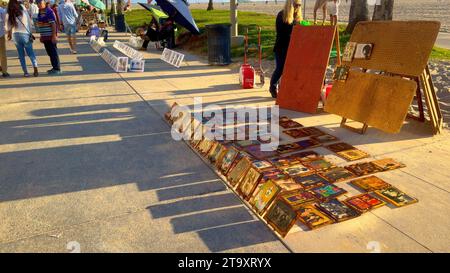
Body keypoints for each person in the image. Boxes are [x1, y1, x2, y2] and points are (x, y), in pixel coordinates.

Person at [269, 0, 302, 98]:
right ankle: (272, 87)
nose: (297, 7)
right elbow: (281, 33)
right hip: (281, 47)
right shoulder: (282, 15)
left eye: (299, 5)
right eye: (296, 5)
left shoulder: (297, 17)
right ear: (290, 4)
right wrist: (293, 30)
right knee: (280, 68)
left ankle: (286, 88)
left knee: (291, 69)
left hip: (293, 47)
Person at [5, 0, 38, 77]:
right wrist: (30, 32)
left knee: (21, 55)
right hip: (25, 34)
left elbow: (7, 27)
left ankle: (26, 72)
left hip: (15, 35)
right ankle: (35, 68)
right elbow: (29, 22)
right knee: (30, 53)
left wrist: (9, 33)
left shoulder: (9, 13)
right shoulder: (23, 10)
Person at [36, 0, 61, 75]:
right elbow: (41, 24)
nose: (39, 5)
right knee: (49, 52)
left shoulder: (49, 11)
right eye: (38, 3)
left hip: (50, 36)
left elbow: (53, 24)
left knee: (53, 52)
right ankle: (54, 67)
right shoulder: (40, 12)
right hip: (45, 37)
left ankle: (57, 68)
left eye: (40, 3)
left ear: (44, 3)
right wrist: (41, 36)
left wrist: (54, 36)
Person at [0, 2, 9, 77]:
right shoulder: (2, 11)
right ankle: (4, 71)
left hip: (1, 34)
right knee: (3, 53)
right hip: (1, 34)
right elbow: (5, 21)